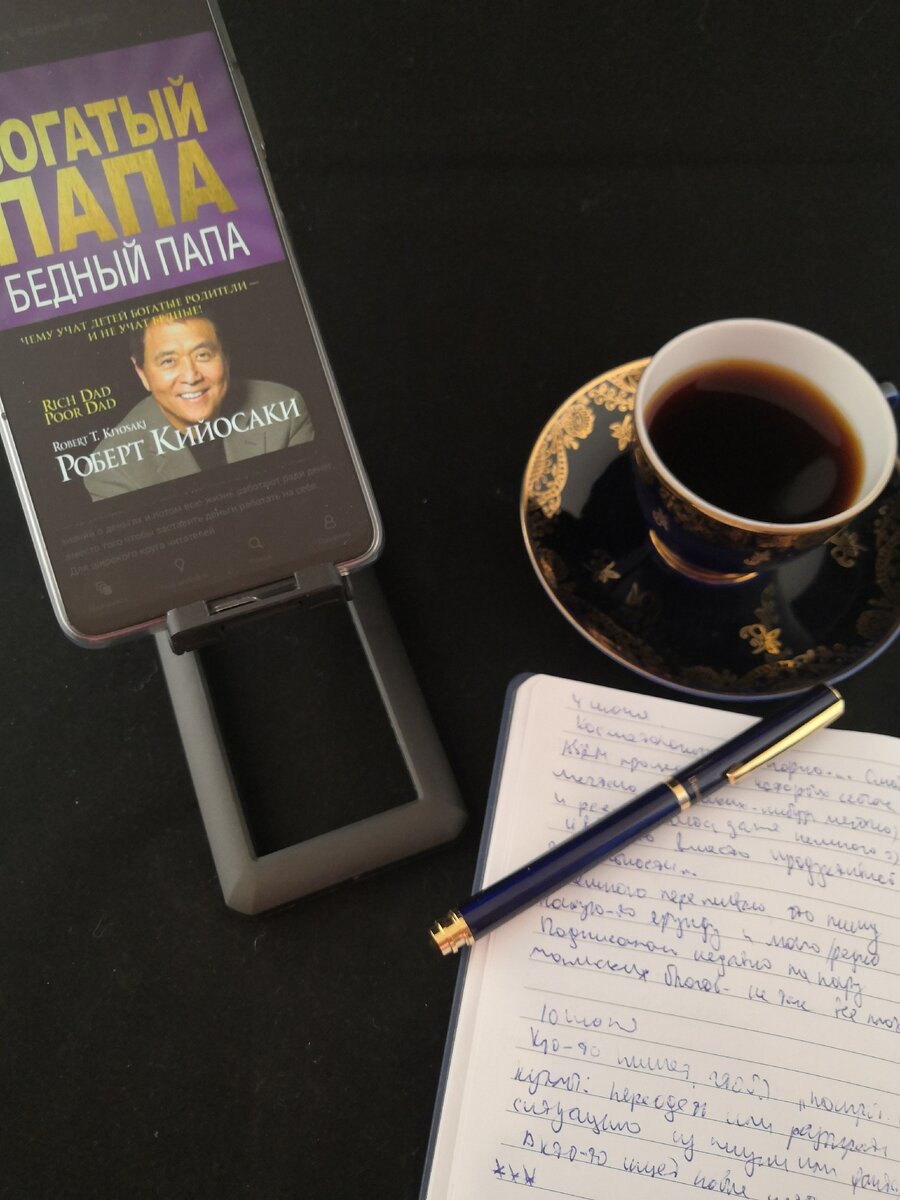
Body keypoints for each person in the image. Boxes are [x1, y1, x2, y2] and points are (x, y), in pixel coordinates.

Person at [83, 310, 314, 501]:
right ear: (142, 373)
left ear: (226, 358)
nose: (191, 376)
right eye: (168, 361)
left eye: (202, 355)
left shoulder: (284, 408)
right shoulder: (110, 471)